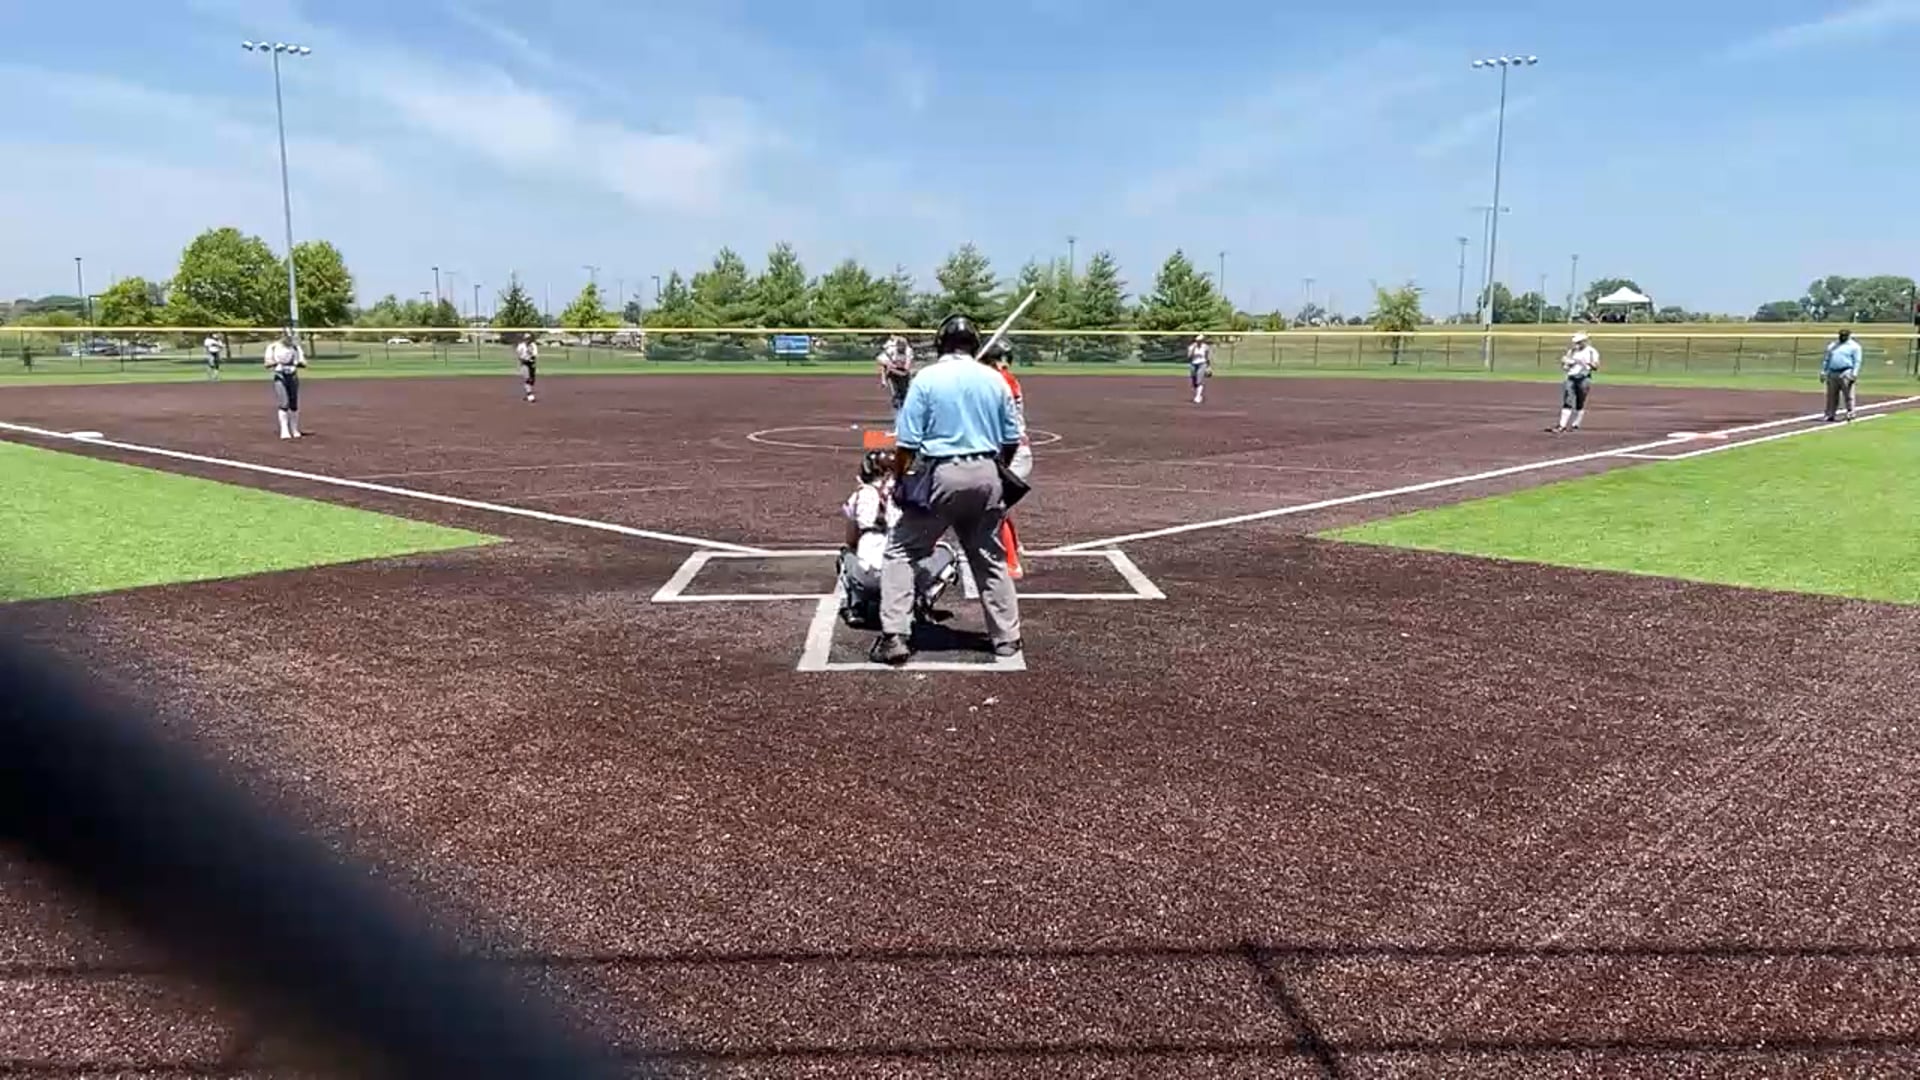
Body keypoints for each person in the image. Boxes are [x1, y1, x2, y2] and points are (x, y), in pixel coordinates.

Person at [872, 314, 1024, 666]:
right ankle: (1007, 638)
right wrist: (997, 470)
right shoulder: (995, 380)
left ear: (940, 343)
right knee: (989, 556)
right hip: (988, 473)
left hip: (942, 474)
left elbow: (907, 443)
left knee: (901, 550)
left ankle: (895, 636)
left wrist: (900, 477)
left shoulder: (926, 378)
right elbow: (1011, 440)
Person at [836, 449, 960, 629]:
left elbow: (851, 540)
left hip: (868, 580)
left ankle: (856, 606)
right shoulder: (909, 494)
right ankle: (922, 601)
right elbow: (928, 539)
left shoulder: (859, 495)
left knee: (845, 554)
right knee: (947, 553)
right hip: (905, 579)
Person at [984, 339, 1030, 580]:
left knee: (994, 506)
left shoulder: (1003, 379)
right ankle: (1015, 544)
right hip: (1006, 451)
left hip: (1014, 453)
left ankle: (1012, 563)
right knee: (998, 504)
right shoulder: (995, 378)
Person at [1549, 332, 1600, 434]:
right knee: (1568, 400)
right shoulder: (1572, 351)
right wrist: (1566, 363)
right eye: (1576, 342)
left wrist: (1588, 364)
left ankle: (1576, 423)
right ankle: (1562, 425)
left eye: (1579, 342)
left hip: (1584, 378)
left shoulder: (1591, 352)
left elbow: (1596, 366)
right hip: (1571, 377)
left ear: (1584, 341)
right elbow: (1566, 365)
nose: (1577, 344)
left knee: (1580, 401)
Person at [263, 330, 307, 440]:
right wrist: (278, 362)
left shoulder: (295, 348)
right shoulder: (273, 347)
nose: (289, 339)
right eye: (287, 337)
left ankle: (294, 429)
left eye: (291, 337)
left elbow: (304, 363)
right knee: (284, 403)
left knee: (293, 403)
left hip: (292, 376)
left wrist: (297, 363)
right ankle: (284, 429)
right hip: (280, 376)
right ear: (282, 336)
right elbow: (267, 364)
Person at [1822, 328, 1863, 422]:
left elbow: (1857, 361)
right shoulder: (1833, 346)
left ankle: (1850, 413)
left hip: (1846, 372)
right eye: (1841, 335)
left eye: (1844, 336)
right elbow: (1827, 359)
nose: (1842, 337)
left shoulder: (1854, 347)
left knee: (1848, 395)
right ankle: (1830, 414)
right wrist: (1824, 371)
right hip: (1832, 372)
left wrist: (1854, 373)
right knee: (1831, 395)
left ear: (1848, 336)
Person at [877, 334, 914, 414]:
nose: (902, 348)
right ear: (897, 345)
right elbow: (880, 360)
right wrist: (889, 365)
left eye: (903, 346)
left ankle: (903, 400)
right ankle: (896, 399)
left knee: (904, 391)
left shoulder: (908, 351)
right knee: (896, 391)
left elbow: (906, 368)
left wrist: (895, 367)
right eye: (900, 346)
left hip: (902, 372)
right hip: (893, 371)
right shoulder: (891, 350)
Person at [1187, 334, 1213, 404]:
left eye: (1201, 340)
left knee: (1199, 380)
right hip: (1193, 364)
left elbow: (1207, 357)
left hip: (1202, 364)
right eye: (1198, 340)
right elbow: (1189, 357)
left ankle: (1198, 396)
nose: (1200, 342)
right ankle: (1198, 394)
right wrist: (1193, 350)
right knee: (1194, 381)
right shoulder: (1191, 347)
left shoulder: (1205, 347)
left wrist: (1208, 366)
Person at [515, 335, 539, 403]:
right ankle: (530, 395)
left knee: (532, 381)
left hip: (531, 363)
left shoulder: (533, 345)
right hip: (524, 363)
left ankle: (528, 393)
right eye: (526, 338)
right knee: (527, 379)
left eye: (529, 338)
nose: (527, 340)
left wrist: (530, 353)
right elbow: (518, 354)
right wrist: (521, 359)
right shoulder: (521, 346)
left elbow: (535, 355)